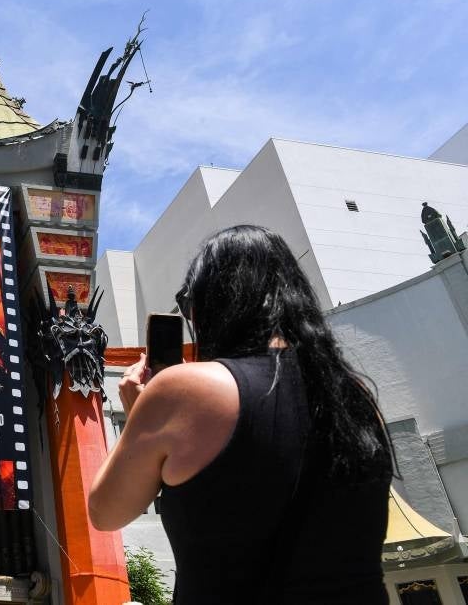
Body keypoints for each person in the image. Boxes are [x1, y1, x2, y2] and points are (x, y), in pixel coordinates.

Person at [88, 225, 393, 604]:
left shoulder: (184, 391)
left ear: (212, 303)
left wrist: (142, 416)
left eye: (188, 303)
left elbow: (105, 512)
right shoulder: (358, 396)